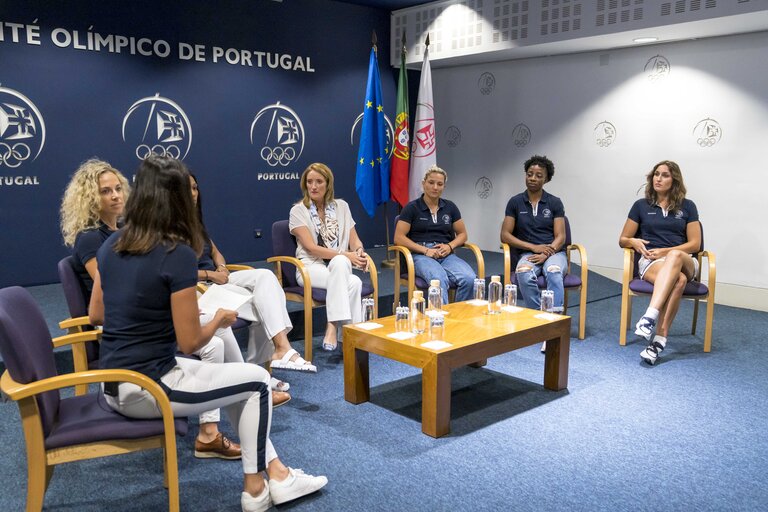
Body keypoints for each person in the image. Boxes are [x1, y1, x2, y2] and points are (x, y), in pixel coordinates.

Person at [89, 155, 327, 512]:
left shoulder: (111, 245)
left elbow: (97, 313)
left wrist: (148, 315)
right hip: (151, 385)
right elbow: (191, 342)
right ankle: (256, 489)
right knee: (259, 383)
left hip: (114, 383)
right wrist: (216, 320)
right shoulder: (176, 253)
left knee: (240, 379)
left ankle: (277, 474)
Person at [190, 174, 314, 376]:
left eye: (195, 188)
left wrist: (220, 267)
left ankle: (280, 349)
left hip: (218, 279)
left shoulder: (195, 221)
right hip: (200, 287)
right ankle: (260, 369)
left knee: (265, 277)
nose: (193, 193)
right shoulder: (170, 226)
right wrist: (210, 275)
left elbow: (214, 252)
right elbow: (174, 272)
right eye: (187, 189)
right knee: (263, 303)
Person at [619, 160, 701, 365]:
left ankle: (649, 316)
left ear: (674, 180)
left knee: (674, 258)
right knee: (679, 281)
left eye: (665, 175)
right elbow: (622, 239)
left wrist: (667, 251)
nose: (659, 178)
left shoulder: (688, 206)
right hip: (651, 262)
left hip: (683, 259)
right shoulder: (641, 206)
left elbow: (695, 244)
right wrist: (632, 240)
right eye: (656, 174)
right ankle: (658, 342)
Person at [289, 162, 369, 351]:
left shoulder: (342, 206)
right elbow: (311, 248)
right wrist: (346, 255)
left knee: (352, 278)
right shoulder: (298, 210)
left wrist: (358, 251)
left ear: (328, 184)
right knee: (348, 272)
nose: (313, 186)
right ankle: (338, 330)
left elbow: (355, 240)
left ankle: (346, 338)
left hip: (338, 267)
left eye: (318, 181)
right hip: (309, 268)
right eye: (309, 182)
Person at [500, 155, 566, 353]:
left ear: (546, 179)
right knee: (523, 271)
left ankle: (552, 325)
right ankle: (540, 320)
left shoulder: (554, 202)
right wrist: (533, 247)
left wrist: (547, 252)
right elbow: (505, 235)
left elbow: (561, 236)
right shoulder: (515, 202)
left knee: (554, 271)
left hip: (553, 252)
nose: (533, 178)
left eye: (539, 175)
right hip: (528, 253)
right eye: (530, 174)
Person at [394, 165, 476, 304]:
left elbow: (462, 234)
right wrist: (426, 250)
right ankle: (440, 321)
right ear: (423, 183)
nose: (435, 187)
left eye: (439, 184)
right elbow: (399, 237)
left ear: (444, 186)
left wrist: (450, 246)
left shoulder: (450, 207)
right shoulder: (411, 207)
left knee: (470, 279)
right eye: (431, 183)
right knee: (438, 280)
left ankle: (459, 318)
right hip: (420, 255)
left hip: (446, 254)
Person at [60, 158, 130, 298]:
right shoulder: (90, 237)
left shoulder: (125, 228)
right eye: (105, 191)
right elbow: (110, 286)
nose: (116, 196)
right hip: (112, 312)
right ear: (90, 198)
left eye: (118, 189)